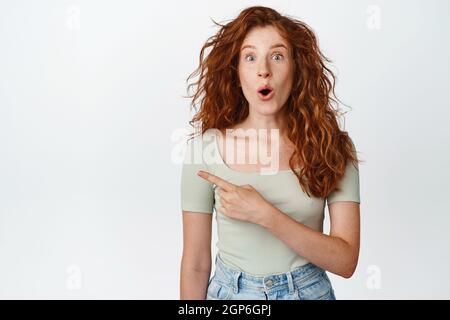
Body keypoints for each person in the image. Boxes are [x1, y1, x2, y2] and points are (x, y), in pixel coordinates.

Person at [179, 6, 361, 300]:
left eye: (277, 56)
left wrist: (266, 215)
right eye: (250, 57)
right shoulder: (203, 150)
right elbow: (196, 265)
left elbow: (346, 261)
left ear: (296, 67)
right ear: (236, 71)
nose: (264, 70)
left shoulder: (333, 148)